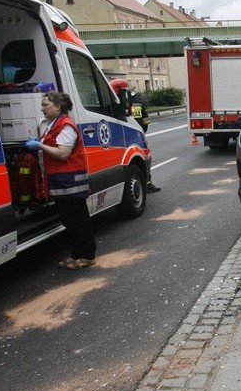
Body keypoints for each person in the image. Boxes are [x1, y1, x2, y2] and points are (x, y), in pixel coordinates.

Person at [25, 91, 96, 269]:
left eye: (45, 105)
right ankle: (76, 254)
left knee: (78, 222)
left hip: (70, 183)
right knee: (69, 222)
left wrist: (39, 145)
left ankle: (87, 256)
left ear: (58, 106)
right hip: (61, 183)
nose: (42, 109)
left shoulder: (66, 126)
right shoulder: (52, 124)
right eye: (42, 105)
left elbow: (63, 153)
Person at [110, 79, 161, 193]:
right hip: (137, 134)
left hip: (122, 137)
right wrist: (143, 131)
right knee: (143, 159)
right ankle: (147, 184)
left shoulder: (111, 103)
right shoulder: (137, 103)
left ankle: (145, 184)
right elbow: (146, 119)